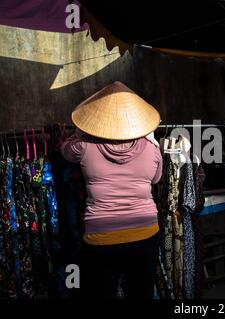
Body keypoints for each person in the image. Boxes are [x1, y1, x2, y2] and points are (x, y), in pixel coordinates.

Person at [60, 81, 162, 299]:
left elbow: (65, 151)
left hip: (102, 237)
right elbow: (156, 178)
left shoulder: (85, 147)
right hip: (145, 233)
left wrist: (78, 133)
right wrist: (151, 143)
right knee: (141, 294)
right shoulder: (152, 149)